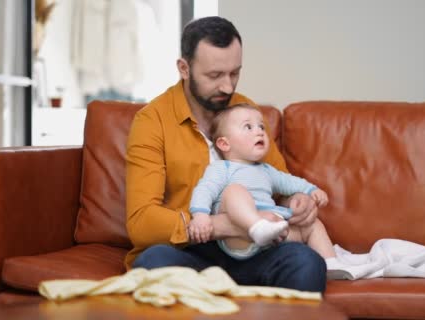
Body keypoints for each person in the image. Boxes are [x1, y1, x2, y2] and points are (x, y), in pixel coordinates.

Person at [125, 16, 326, 292]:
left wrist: (298, 201)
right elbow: (141, 223)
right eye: (215, 75)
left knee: (307, 263)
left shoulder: (246, 110)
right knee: (152, 261)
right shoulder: (151, 122)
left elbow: (279, 184)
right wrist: (224, 226)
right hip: (193, 251)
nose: (228, 87)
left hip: (255, 251)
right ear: (184, 68)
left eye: (235, 73)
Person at [188, 104, 337, 261]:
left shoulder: (267, 170)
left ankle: (332, 264)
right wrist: (200, 215)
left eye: (261, 127)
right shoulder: (222, 168)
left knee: (313, 225)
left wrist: (311, 190)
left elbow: (290, 182)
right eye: (248, 127)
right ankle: (257, 226)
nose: (259, 131)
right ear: (225, 144)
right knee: (234, 190)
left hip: (274, 235)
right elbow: (205, 189)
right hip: (239, 237)